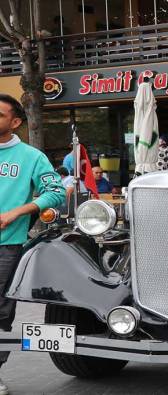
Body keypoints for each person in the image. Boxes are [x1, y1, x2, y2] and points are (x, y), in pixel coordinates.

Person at [0, 94, 65, 395]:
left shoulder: (31, 157)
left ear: (15, 122)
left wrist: (17, 211)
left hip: (6, 245)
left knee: (0, 312)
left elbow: (56, 192)